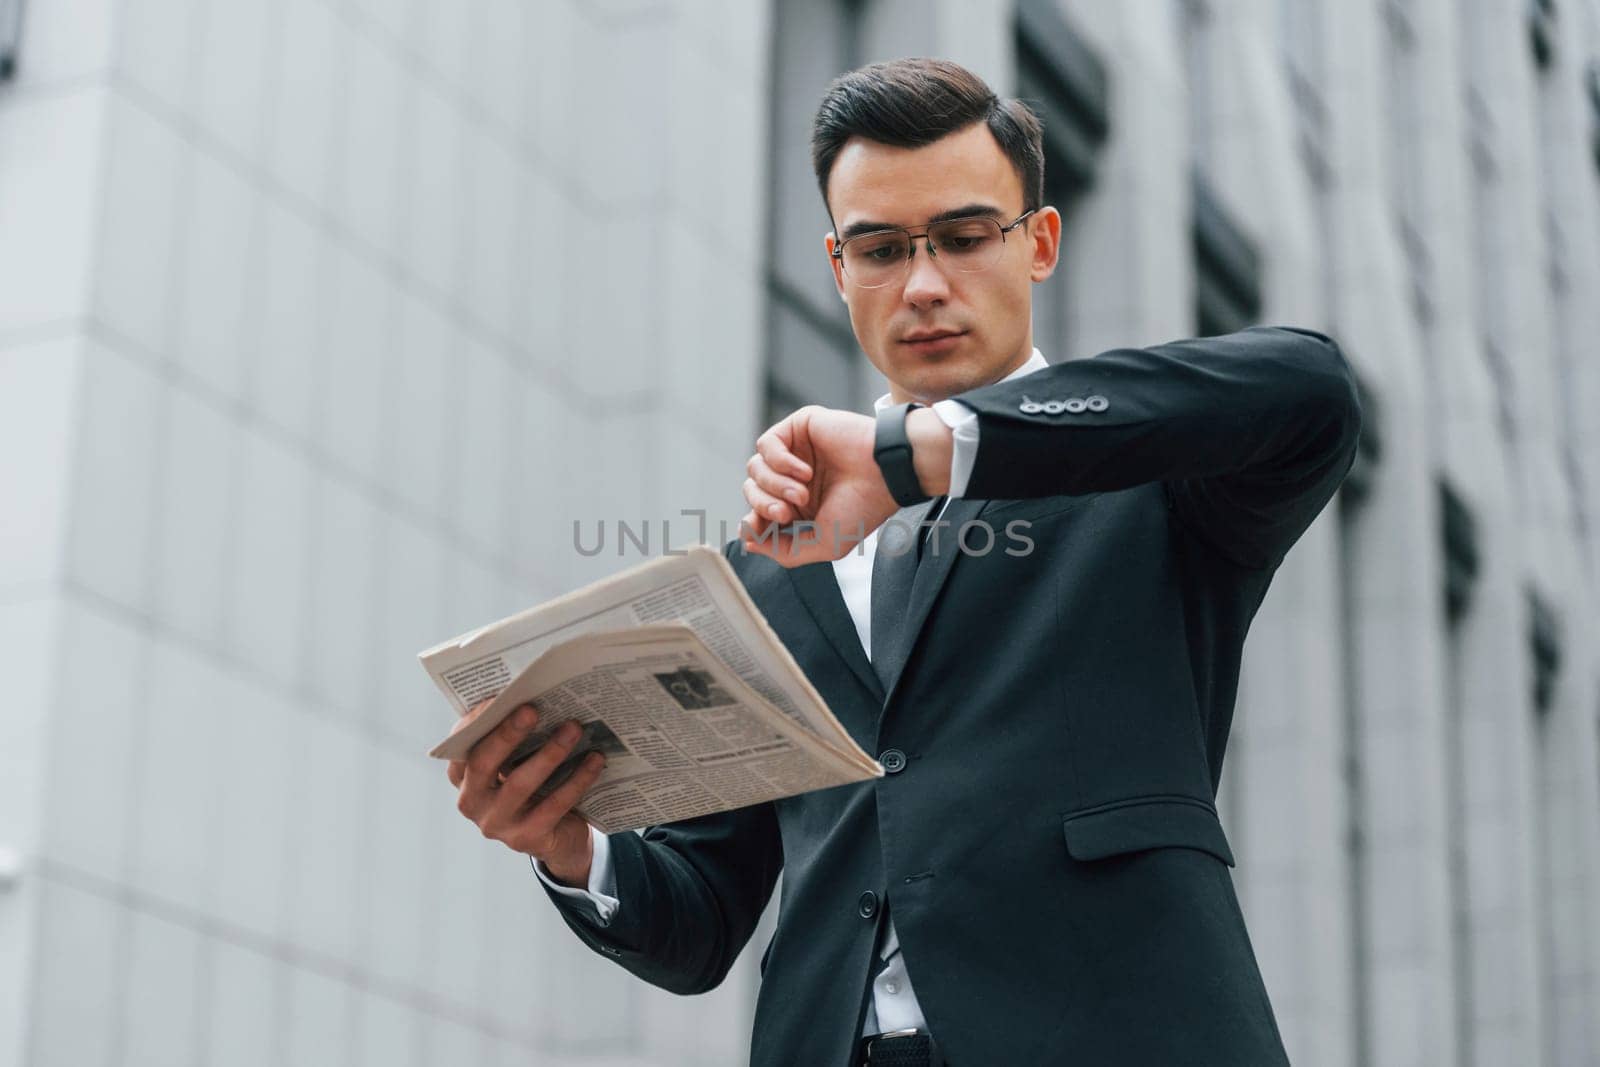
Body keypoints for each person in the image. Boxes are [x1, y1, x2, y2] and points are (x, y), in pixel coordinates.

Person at [446, 57, 1360, 1066]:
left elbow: (1307, 387)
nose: (923, 285)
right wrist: (572, 849)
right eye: (880, 249)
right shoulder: (766, 563)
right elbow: (705, 914)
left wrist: (920, 454)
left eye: (965, 238)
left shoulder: (1154, 480)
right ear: (839, 269)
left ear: (1039, 243)